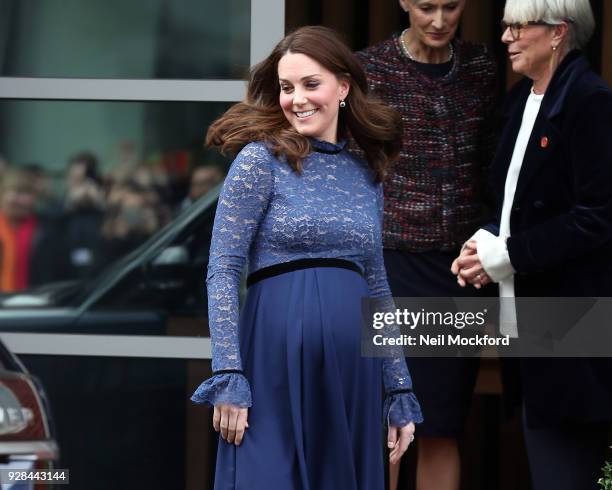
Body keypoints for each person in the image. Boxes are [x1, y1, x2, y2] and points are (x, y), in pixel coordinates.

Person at [190, 25, 423, 490]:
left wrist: (399, 387)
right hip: (271, 361)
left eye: (310, 84)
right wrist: (229, 371)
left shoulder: (366, 175)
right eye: (286, 87)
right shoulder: (259, 161)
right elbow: (222, 269)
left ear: (343, 87)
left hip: (355, 369)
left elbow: (377, 285)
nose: (297, 99)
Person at [451, 1, 612, 489]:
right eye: (505, 26)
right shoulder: (521, 99)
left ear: (558, 33)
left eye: (518, 27)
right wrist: (480, 248)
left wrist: (505, 257)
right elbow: (508, 203)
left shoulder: (591, 101)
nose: (506, 38)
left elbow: (597, 217)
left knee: (564, 470)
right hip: (533, 323)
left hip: (573, 324)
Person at [356, 1, 497, 489]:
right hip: (390, 264)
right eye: (426, 6)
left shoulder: (482, 68)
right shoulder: (369, 69)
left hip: (458, 270)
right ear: (403, 3)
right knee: (391, 419)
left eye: (451, 6)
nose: (439, 20)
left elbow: (494, 165)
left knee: (441, 421)